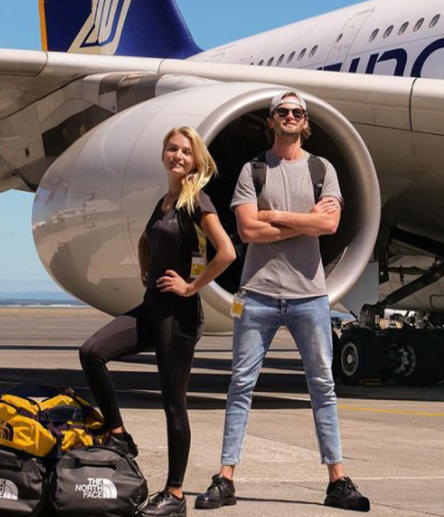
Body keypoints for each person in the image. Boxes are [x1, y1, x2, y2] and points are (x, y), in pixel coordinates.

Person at [194, 91, 369, 512]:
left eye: (297, 113)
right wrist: (304, 223)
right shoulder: (253, 170)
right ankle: (225, 477)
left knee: (323, 386)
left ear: (305, 123)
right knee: (241, 385)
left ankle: (337, 480)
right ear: (270, 121)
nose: (290, 117)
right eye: (282, 112)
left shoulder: (320, 168)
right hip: (258, 295)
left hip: (310, 295)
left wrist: (274, 217)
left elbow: (329, 223)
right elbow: (249, 232)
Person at [79, 126, 236, 517]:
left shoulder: (196, 201)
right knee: (92, 352)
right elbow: (146, 241)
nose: (177, 156)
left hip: (178, 316)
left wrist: (191, 287)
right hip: (152, 307)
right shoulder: (164, 202)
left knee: (173, 404)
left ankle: (176, 494)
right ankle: (118, 434)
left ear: (195, 160)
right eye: (172, 149)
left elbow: (227, 252)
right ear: (164, 155)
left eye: (185, 151)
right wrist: (146, 271)